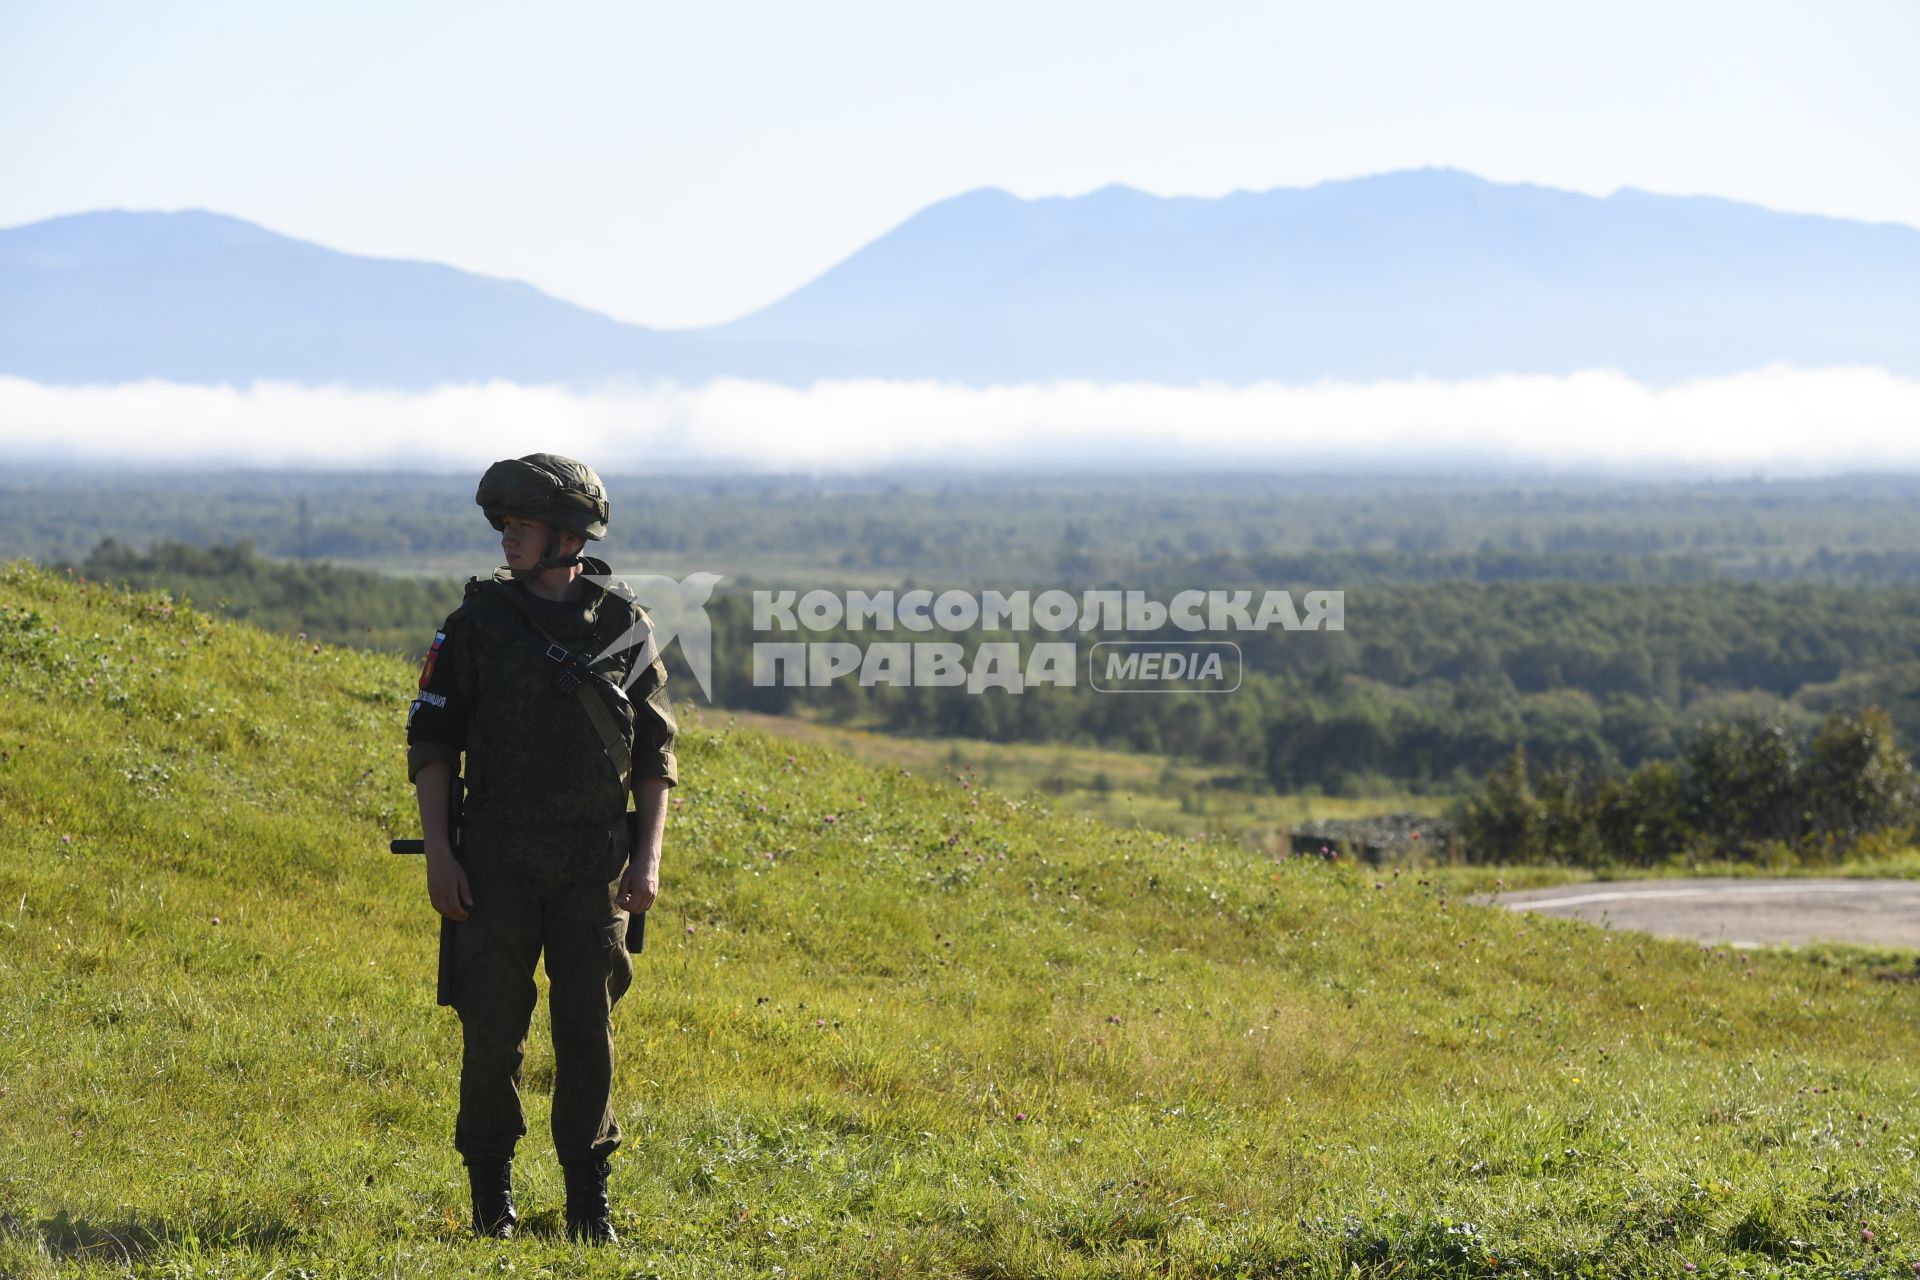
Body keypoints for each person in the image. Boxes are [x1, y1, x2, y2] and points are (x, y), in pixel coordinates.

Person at [406, 453, 677, 1243]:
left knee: (588, 1036)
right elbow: (433, 742)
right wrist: (440, 855)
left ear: (566, 536)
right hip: (492, 866)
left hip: (592, 868)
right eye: (504, 526)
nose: (507, 539)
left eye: (520, 526)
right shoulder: (476, 626)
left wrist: (648, 860)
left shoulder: (623, 624)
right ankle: (491, 1202)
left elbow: (658, 757)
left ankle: (590, 1205)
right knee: (492, 1034)